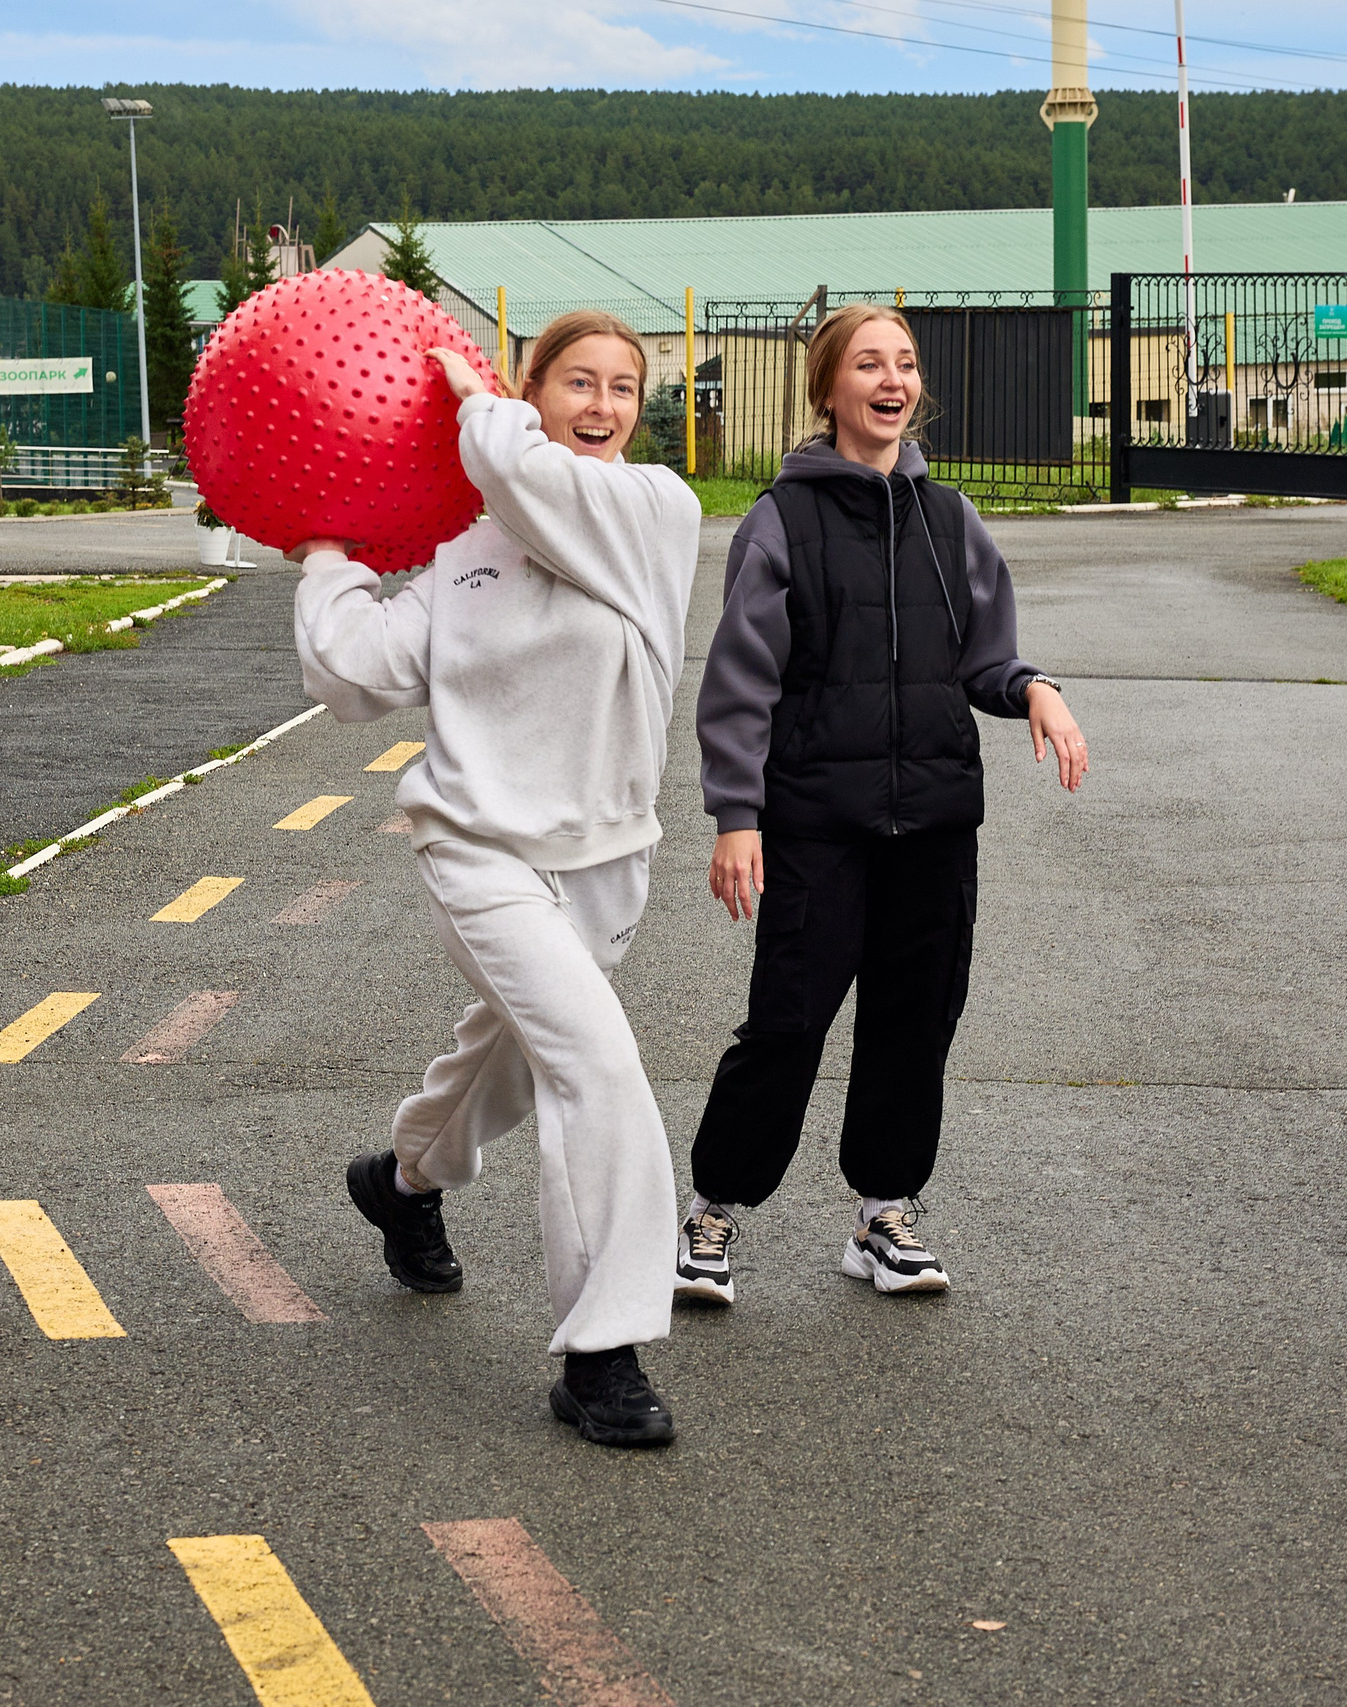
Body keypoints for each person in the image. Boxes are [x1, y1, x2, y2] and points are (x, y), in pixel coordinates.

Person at [291, 310, 702, 1449]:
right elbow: (353, 675)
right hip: (474, 852)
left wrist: (481, 407)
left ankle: (405, 1182)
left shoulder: (652, 513)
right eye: (579, 383)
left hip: (608, 862)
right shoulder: (465, 556)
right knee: (597, 1067)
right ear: (535, 390)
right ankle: (603, 1351)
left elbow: (524, 472)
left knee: (513, 1065)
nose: (605, 407)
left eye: (624, 387)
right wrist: (325, 552)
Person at [674, 303, 1086, 1307]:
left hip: (934, 824)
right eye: (868, 364)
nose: (891, 381)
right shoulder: (783, 520)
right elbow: (740, 682)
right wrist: (737, 815)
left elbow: (985, 654)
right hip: (818, 822)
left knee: (913, 1023)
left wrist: (1033, 688)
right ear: (829, 389)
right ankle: (712, 1214)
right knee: (786, 1024)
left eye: (903, 365)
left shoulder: (949, 520)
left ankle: (883, 1215)